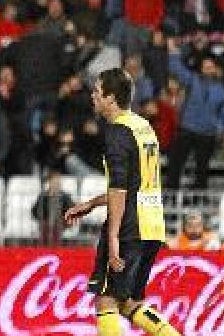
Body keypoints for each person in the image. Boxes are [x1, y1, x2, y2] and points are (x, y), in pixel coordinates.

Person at [64, 68, 182, 336]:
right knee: (129, 303)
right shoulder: (143, 126)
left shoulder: (117, 133)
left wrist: (114, 236)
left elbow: (119, 188)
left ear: (111, 98)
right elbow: (134, 184)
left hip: (129, 227)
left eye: (97, 92)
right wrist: (92, 203)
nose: (93, 96)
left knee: (106, 300)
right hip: (152, 225)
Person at [164, 39, 224, 190]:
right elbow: (177, 69)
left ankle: (198, 199)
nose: (208, 69)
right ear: (201, 69)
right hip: (187, 129)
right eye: (205, 67)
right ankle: (170, 195)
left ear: (215, 69)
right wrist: (173, 52)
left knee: (202, 169)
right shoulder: (192, 80)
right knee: (175, 164)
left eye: (211, 67)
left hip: (207, 133)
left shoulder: (221, 90)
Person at [33, 170, 76, 245]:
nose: (57, 184)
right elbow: (34, 211)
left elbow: (72, 209)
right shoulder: (43, 196)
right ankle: (45, 247)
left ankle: (55, 247)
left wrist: (65, 218)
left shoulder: (65, 196)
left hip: (61, 222)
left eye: (58, 182)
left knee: (56, 227)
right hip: (46, 222)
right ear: (49, 183)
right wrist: (42, 218)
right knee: (45, 227)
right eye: (54, 182)